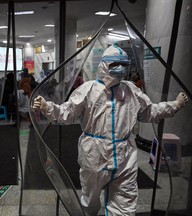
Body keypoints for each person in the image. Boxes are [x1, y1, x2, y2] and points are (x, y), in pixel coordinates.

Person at [33, 45, 188, 216]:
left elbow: (149, 111)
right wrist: (47, 107)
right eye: (115, 64)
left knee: (125, 202)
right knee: (90, 200)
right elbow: (66, 113)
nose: (120, 69)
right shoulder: (88, 90)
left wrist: (174, 106)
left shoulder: (131, 90)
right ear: (104, 65)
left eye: (124, 65)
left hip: (125, 155)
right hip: (94, 154)